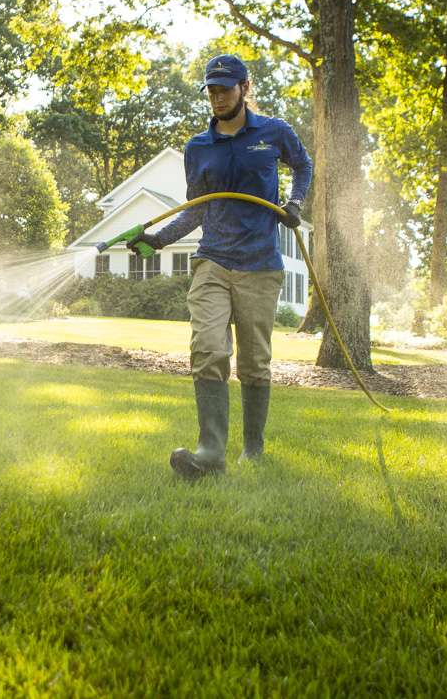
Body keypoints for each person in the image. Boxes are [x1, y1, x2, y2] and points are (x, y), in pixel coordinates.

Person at [130, 53, 312, 479]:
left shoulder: (273, 133)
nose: (216, 97)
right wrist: (157, 240)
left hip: (260, 263)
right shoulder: (199, 148)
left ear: (245, 89)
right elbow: (196, 209)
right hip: (212, 259)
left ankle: (253, 449)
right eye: (211, 90)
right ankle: (210, 452)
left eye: (224, 89)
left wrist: (295, 203)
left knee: (254, 361)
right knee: (208, 349)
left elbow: (303, 165)